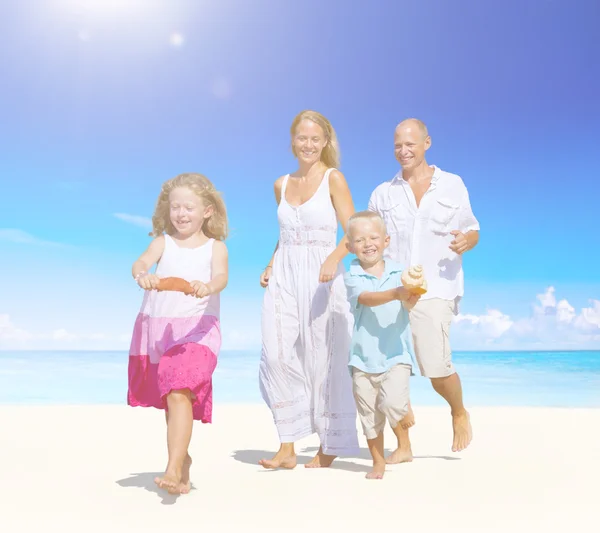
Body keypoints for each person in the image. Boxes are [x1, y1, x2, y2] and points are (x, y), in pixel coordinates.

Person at [368, 118, 480, 453]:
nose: (403, 151)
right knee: (388, 373)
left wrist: (467, 241)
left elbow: (472, 228)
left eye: (410, 145)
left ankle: (458, 411)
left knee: (436, 370)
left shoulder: (452, 185)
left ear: (427, 143)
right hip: (393, 290)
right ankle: (403, 445)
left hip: (436, 290)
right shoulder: (382, 193)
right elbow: (369, 239)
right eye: (398, 146)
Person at [258, 110, 359, 469]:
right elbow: (286, 234)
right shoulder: (280, 184)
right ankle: (287, 444)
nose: (308, 144)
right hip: (285, 274)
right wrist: (271, 263)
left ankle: (329, 444)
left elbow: (354, 231)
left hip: (323, 278)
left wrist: (333, 258)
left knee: (324, 358)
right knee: (276, 354)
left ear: (326, 142)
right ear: (292, 140)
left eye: (316, 138)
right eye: (302, 137)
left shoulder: (334, 178)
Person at [128, 172, 229, 494]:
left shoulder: (215, 247)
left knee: (180, 388)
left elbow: (221, 278)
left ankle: (172, 467)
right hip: (161, 328)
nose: (181, 214)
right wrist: (142, 274)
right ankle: (181, 460)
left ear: (207, 211)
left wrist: (207, 287)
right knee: (174, 397)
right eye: (175, 208)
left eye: (189, 207)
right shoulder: (163, 242)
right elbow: (142, 262)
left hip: (199, 329)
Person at [344, 211, 420, 479]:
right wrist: (395, 294)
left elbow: (409, 301)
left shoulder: (401, 272)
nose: (368, 244)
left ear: (386, 240)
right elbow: (365, 298)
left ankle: (402, 406)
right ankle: (377, 462)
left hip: (396, 354)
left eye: (374, 237)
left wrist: (409, 296)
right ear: (350, 246)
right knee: (368, 416)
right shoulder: (352, 275)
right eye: (360, 239)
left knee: (392, 403)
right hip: (362, 359)